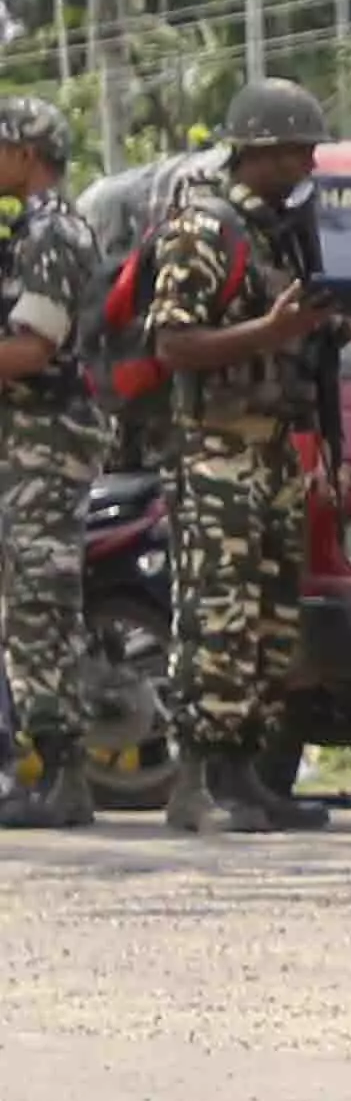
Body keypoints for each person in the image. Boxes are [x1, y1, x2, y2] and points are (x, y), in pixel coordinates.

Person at [136, 80, 336, 839]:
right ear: (262, 150)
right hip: (215, 450)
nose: (307, 163)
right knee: (215, 618)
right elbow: (173, 344)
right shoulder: (201, 228)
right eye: (298, 151)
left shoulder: (278, 230)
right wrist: (269, 334)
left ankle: (246, 774)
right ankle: (197, 781)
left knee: (271, 621)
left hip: (274, 449)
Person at [0, 97, 102, 829]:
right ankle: (49, 769)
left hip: (45, 439)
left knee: (40, 602)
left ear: (25, 153)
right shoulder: (30, 230)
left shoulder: (53, 232)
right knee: (27, 603)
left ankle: (63, 777)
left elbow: (33, 348)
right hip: (26, 437)